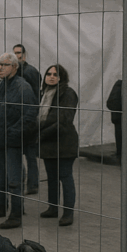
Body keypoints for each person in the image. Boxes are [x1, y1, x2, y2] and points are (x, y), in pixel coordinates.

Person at [0, 53, 38, 229]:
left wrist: (13, 133)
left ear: (15, 67)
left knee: (14, 179)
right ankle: (2, 206)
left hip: (13, 141)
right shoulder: (0, 86)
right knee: (1, 176)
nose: (1, 68)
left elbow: (30, 114)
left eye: (5, 64)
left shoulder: (22, 87)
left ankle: (16, 214)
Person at [38, 64, 80, 227]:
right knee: (52, 177)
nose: (51, 77)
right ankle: (53, 208)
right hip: (48, 143)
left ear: (62, 77)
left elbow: (64, 119)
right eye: (49, 74)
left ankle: (68, 213)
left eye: (56, 74)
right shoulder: (45, 94)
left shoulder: (68, 93)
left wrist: (41, 132)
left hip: (64, 143)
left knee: (65, 176)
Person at [14, 44, 42, 195]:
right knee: (19, 154)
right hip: (18, 119)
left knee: (30, 155)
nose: (16, 55)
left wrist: (33, 115)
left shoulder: (30, 72)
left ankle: (33, 184)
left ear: (24, 55)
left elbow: (37, 95)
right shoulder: (16, 71)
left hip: (29, 119)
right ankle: (22, 181)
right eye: (14, 53)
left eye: (19, 53)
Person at [106, 78, 123, 163]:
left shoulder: (120, 85)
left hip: (120, 117)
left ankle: (121, 155)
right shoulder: (120, 85)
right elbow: (111, 102)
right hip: (121, 117)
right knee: (121, 135)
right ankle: (121, 155)